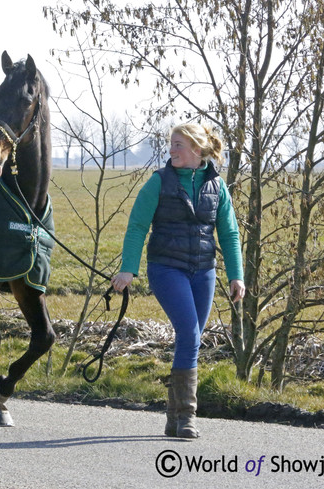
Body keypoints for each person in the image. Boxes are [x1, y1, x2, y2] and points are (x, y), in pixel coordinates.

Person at [111, 123, 245, 439]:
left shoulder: (217, 185)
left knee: (192, 339)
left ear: (197, 150)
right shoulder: (158, 183)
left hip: (203, 271)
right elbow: (136, 227)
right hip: (166, 268)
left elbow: (229, 233)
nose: (171, 150)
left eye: (178, 145)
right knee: (189, 331)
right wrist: (128, 268)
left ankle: (173, 419)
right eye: (171, 144)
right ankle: (187, 416)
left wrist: (236, 275)